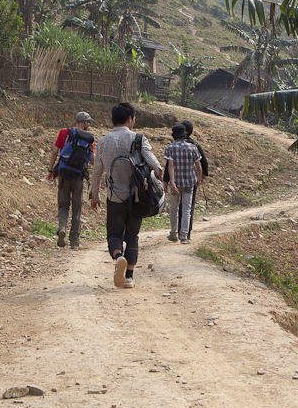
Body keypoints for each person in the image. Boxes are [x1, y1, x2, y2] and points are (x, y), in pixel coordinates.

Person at [90, 102, 162, 289]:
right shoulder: (139, 138)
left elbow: (97, 171)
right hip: (137, 197)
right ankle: (129, 277)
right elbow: (153, 164)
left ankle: (118, 256)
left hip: (114, 196)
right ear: (130, 119)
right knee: (132, 235)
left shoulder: (104, 141)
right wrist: (159, 177)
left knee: (114, 233)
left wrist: (94, 194)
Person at [47, 111, 94, 249]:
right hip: (78, 176)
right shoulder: (87, 138)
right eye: (88, 122)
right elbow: (92, 160)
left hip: (63, 174)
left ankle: (62, 228)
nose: (89, 124)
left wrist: (51, 171)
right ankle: (74, 241)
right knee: (77, 207)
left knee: (63, 205)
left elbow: (55, 152)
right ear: (85, 123)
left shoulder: (63, 132)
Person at [165, 119, 210, 238]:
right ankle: (186, 233)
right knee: (188, 207)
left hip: (176, 181)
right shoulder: (194, 145)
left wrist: (167, 181)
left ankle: (175, 231)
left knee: (175, 207)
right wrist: (201, 177)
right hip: (191, 181)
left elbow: (168, 166)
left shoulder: (171, 147)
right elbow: (203, 163)